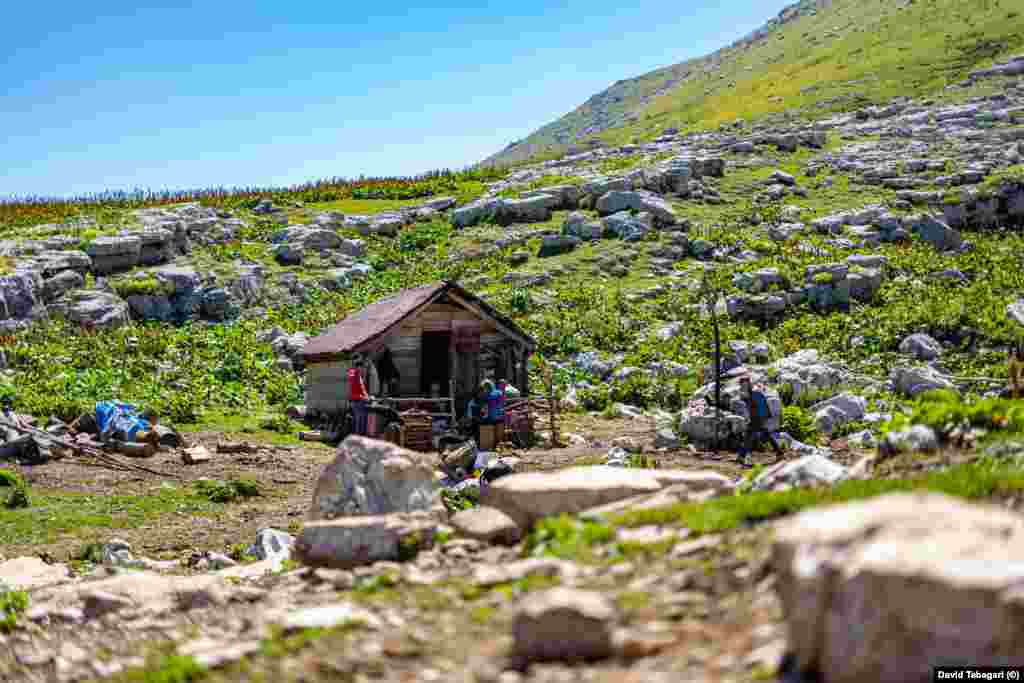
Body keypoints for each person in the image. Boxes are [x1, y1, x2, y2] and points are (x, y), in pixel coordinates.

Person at [737, 375, 783, 466]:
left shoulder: (754, 392)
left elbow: (760, 405)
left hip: (757, 418)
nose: (742, 385)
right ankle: (779, 452)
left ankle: (742, 456)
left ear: (747, 383)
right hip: (755, 417)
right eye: (741, 384)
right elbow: (747, 403)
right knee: (765, 434)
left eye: (744, 383)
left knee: (748, 437)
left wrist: (763, 417)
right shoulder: (749, 392)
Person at [348, 357, 370, 436]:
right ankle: (359, 437)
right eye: (362, 367)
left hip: (355, 400)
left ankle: (356, 436)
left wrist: (366, 396)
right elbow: (359, 388)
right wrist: (365, 397)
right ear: (359, 367)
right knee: (361, 419)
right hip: (358, 400)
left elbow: (360, 389)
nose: (363, 369)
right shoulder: (356, 375)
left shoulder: (352, 374)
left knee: (357, 419)